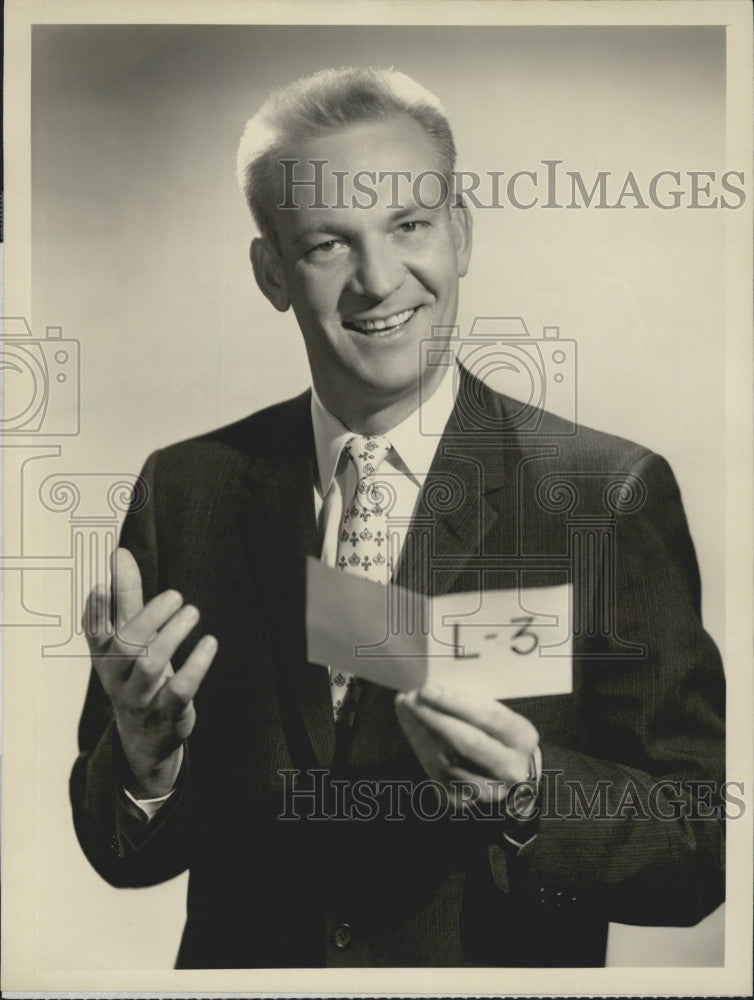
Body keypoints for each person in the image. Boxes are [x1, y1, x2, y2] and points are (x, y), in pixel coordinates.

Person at [70, 67, 725, 969]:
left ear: (459, 234)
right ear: (270, 274)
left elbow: (701, 847)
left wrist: (534, 793)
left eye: (408, 227)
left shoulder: (607, 496)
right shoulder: (188, 490)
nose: (379, 282)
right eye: (328, 245)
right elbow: (119, 847)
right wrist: (145, 765)